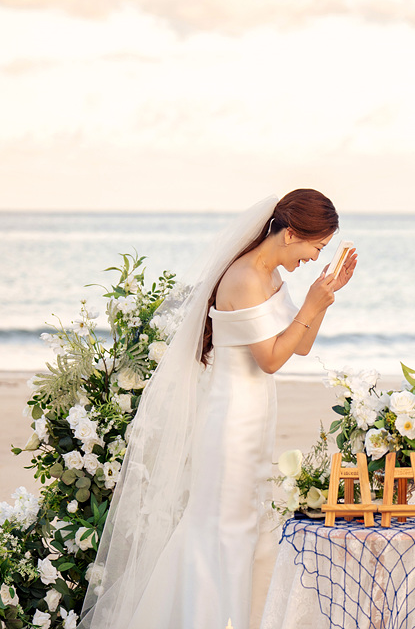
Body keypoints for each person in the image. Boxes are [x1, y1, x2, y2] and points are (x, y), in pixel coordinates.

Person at [79, 189, 357, 629]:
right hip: (230, 421)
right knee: (221, 528)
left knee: (244, 527)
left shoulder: (270, 276)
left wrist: (324, 300)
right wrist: (312, 303)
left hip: (255, 416)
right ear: (291, 234)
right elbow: (270, 359)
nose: (314, 258)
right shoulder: (244, 277)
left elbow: (298, 346)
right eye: (316, 247)